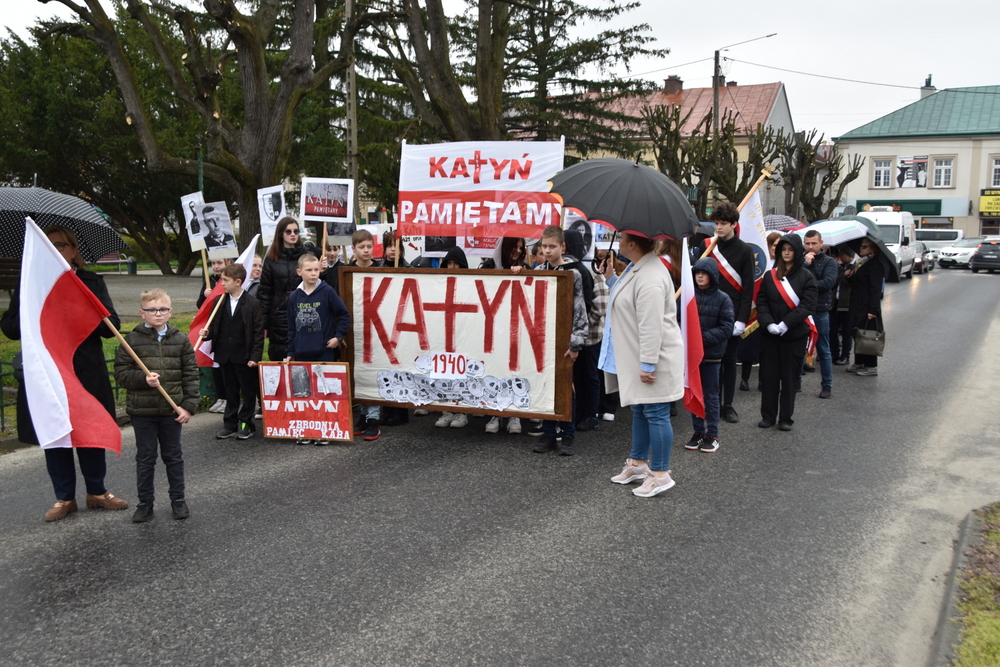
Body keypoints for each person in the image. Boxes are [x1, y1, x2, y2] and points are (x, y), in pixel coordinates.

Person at [0, 225, 129, 521]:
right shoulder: (30, 286)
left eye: (60, 245)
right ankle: (64, 497)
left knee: (91, 429)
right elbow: (9, 328)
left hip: (85, 369)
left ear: (73, 251)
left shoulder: (91, 282)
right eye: (49, 245)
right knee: (55, 431)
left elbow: (112, 327)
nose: (54, 250)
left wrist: (80, 304)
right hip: (47, 372)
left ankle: (97, 491)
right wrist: (32, 310)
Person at [602, 232, 684, 497]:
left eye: (623, 237)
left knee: (656, 413)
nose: (620, 241)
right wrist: (610, 278)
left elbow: (651, 325)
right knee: (640, 409)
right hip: (641, 356)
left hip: (654, 357)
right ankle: (638, 463)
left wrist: (648, 364)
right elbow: (626, 300)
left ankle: (660, 474)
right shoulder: (640, 268)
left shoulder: (650, 275)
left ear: (632, 244)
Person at [114, 288, 199, 522]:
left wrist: (188, 406)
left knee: (173, 457)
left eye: (162, 309)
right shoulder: (131, 341)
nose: (157, 314)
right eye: (152, 310)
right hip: (143, 412)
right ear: (142, 313)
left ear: (170, 311)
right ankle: (145, 504)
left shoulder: (181, 340)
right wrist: (143, 380)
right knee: (145, 459)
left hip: (172, 411)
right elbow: (121, 374)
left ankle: (178, 501)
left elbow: (190, 375)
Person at [284, 253, 352, 444]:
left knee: (323, 393)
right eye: (309, 270)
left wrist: (338, 337)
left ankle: (324, 431)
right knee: (304, 394)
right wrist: (290, 352)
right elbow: (290, 327)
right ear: (299, 272)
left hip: (323, 351)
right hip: (301, 352)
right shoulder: (294, 297)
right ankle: (306, 430)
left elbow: (344, 315)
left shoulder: (327, 291)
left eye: (316, 270)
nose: (314, 274)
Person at [532, 226, 588, 456]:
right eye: (544, 246)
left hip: (565, 339)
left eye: (552, 246)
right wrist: (518, 271)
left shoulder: (574, 273)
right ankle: (548, 433)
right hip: (542, 340)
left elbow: (580, 310)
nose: (547, 250)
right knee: (545, 386)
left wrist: (576, 343)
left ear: (562, 247)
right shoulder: (539, 270)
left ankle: (567, 434)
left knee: (566, 387)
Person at [755, 234, 818, 431]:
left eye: (791, 249)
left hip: (793, 336)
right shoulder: (770, 275)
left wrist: (785, 324)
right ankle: (768, 416)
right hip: (770, 336)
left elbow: (807, 306)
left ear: (797, 251)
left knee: (789, 379)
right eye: (784, 250)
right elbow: (762, 302)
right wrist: (768, 324)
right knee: (769, 377)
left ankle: (785, 418)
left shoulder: (807, 277)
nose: (787, 253)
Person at [200, 264, 265, 440]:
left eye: (225, 280)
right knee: (230, 391)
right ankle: (229, 423)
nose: (222, 283)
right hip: (224, 354)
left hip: (244, 356)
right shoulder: (219, 301)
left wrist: (254, 357)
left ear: (238, 282)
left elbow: (258, 333)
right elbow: (215, 326)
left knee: (247, 390)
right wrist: (207, 334)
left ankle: (246, 424)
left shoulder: (252, 303)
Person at [705, 203, 755, 424]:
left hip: (733, 313)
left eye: (723, 223)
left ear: (734, 224)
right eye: (716, 223)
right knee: (709, 361)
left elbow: (748, 288)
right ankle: (711, 403)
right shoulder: (708, 246)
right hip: (709, 311)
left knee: (729, 360)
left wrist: (742, 319)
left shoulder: (745, 250)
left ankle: (728, 405)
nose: (719, 227)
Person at [683, 258, 734, 454]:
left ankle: (712, 434)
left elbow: (726, 327)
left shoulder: (723, 299)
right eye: (697, 273)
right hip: (691, 357)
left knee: (711, 396)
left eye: (704, 273)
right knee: (694, 393)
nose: (700, 276)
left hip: (711, 355)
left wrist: (700, 338)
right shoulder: (687, 297)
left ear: (712, 275)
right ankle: (698, 432)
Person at [259, 216, 317, 361]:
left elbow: (317, 284)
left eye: (296, 231)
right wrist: (263, 323)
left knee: (305, 355)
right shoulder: (271, 259)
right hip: (279, 314)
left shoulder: (307, 256)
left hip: (304, 310)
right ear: (281, 234)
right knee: (281, 354)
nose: (293, 235)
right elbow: (265, 292)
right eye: (288, 231)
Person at [347, 229, 383, 439]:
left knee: (373, 372)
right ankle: (363, 414)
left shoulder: (380, 269)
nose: (366, 250)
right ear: (354, 249)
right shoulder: (348, 271)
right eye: (362, 247)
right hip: (356, 329)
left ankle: (374, 418)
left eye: (369, 246)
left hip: (377, 330)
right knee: (359, 374)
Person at [434, 246, 473, 430]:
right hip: (443, 333)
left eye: (456, 264)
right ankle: (446, 409)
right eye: (449, 263)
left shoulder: (470, 285)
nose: (452, 267)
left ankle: (461, 411)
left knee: (461, 372)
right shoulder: (439, 284)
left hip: (463, 333)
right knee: (444, 371)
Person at [738, 232, 782, 392]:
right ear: (768, 245)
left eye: (779, 246)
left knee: (766, 348)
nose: (776, 249)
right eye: (774, 245)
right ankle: (745, 379)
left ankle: (763, 380)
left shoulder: (781, 264)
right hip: (754, 306)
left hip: (771, 309)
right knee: (749, 346)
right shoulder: (760, 259)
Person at [801, 229, 838, 398]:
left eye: (814, 243)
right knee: (799, 347)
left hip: (820, 310)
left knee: (823, 349)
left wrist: (808, 284)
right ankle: (796, 382)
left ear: (821, 244)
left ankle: (827, 385)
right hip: (802, 310)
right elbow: (793, 281)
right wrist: (805, 264)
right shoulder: (800, 261)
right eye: (807, 243)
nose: (810, 247)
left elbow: (828, 283)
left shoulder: (829, 262)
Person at [846, 239, 885, 377]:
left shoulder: (875, 265)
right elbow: (858, 282)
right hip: (857, 303)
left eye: (864, 247)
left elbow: (875, 289)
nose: (861, 249)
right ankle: (859, 361)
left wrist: (873, 310)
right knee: (858, 332)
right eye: (861, 246)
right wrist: (850, 276)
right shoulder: (862, 262)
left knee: (868, 334)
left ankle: (871, 366)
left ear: (873, 249)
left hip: (867, 305)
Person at [831, 247, 856, 365]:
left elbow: (849, 283)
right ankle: (834, 353)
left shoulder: (855, 267)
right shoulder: (840, 267)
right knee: (832, 330)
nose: (840, 257)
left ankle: (845, 355)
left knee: (847, 332)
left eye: (842, 254)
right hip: (835, 302)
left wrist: (846, 274)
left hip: (847, 304)